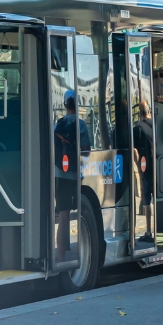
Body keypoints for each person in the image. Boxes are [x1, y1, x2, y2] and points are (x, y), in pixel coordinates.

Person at [53, 91, 91, 261]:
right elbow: (87, 151)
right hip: (76, 176)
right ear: (77, 104)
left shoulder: (58, 125)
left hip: (59, 175)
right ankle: (80, 255)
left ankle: (61, 257)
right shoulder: (81, 125)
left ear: (64, 105)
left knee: (63, 215)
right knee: (81, 212)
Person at [132, 101, 155, 242]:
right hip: (157, 166)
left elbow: (135, 151)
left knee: (147, 200)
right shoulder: (156, 125)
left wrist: (138, 167)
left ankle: (148, 231)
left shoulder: (137, 128)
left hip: (145, 168)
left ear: (139, 114)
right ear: (149, 112)